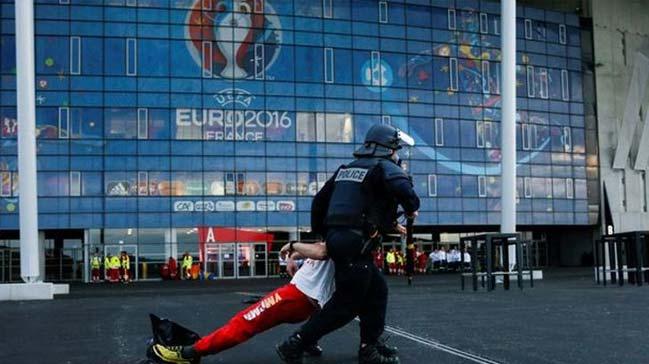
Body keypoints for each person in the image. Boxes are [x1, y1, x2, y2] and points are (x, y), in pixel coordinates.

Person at [276, 124, 420, 364]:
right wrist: (411, 208)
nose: (398, 155)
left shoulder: (346, 170)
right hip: (355, 245)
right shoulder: (384, 167)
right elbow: (407, 193)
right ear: (387, 148)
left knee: (377, 291)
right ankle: (296, 342)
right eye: (396, 149)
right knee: (346, 303)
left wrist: (325, 234)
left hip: (342, 240)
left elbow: (320, 202)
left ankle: (369, 346)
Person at [150, 241, 333, 363]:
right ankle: (308, 341)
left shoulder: (344, 229)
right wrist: (294, 256)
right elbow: (322, 246)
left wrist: (293, 245)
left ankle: (189, 353)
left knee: (244, 322)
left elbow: (322, 251)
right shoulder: (347, 231)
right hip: (306, 300)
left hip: (296, 296)